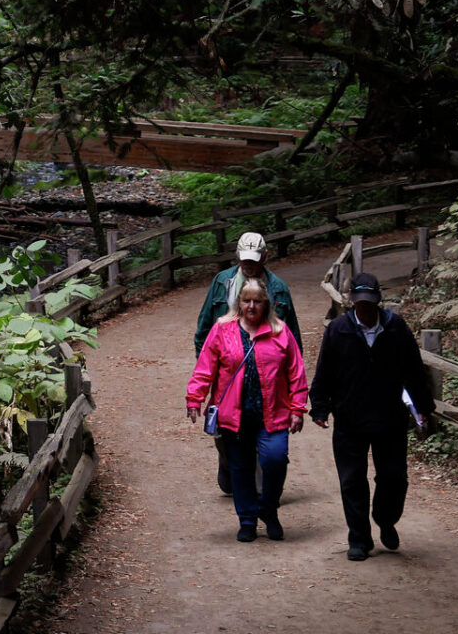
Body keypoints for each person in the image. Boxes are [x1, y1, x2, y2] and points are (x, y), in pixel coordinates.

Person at [309, 272, 435, 561]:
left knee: (394, 479)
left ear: (378, 300)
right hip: (349, 418)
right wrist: (319, 407)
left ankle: (385, 518)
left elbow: (414, 371)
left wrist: (423, 408)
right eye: (360, 302)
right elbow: (324, 372)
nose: (365, 309)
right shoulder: (339, 330)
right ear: (352, 300)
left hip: (389, 417)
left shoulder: (395, 328)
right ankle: (359, 538)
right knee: (352, 480)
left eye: (370, 303)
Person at [186, 278, 309, 542]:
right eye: (246, 300)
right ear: (239, 302)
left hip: (273, 412)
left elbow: (295, 372)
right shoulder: (223, 329)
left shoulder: (280, 331)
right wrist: (195, 397)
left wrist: (298, 407)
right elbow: (205, 366)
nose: (251, 306)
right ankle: (248, 520)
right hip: (234, 414)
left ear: (266, 304)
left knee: (275, 460)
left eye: (257, 301)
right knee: (240, 468)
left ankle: (268, 508)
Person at [193, 232, 300, 494]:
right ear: (237, 256)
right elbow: (204, 328)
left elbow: (292, 339)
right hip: (228, 371)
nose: (248, 264)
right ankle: (229, 463)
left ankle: (262, 493)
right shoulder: (223, 283)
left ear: (265, 256)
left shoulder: (279, 289)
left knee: (266, 431)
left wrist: (291, 387)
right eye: (244, 259)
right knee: (226, 432)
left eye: (254, 259)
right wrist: (207, 368)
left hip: (267, 373)